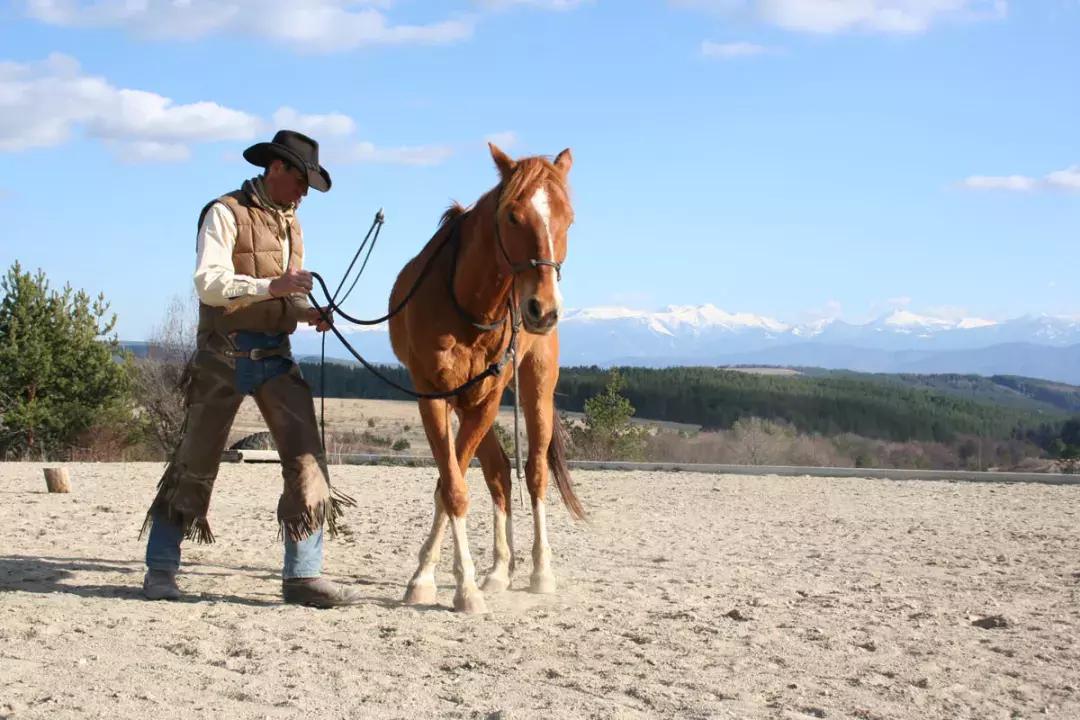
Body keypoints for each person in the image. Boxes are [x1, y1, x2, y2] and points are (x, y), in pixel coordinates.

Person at [140, 130, 361, 608]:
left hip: (276, 356)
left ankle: (302, 576)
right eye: (301, 181)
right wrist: (273, 286)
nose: (304, 193)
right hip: (222, 355)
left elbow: (286, 293)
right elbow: (209, 284)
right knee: (193, 460)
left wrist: (308, 312)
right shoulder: (223, 211)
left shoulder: (291, 223)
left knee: (308, 459)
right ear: (277, 169)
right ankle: (160, 571)